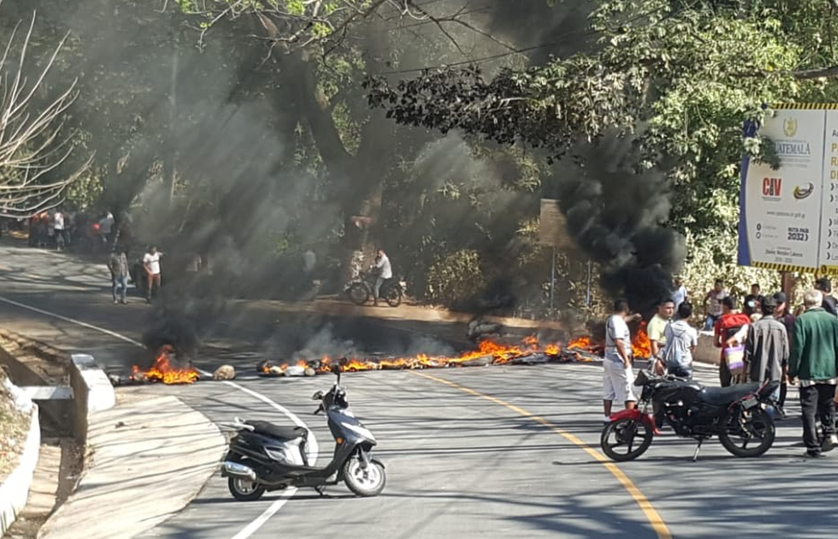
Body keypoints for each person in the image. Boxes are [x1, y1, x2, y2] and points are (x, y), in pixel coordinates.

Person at [789, 289, 838, 458]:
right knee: (827, 404)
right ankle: (829, 433)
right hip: (830, 371)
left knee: (809, 411)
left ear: (805, 303)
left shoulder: (801, 320)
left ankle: (813, 447)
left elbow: (797, 349)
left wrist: (792, 371)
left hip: (808, 373)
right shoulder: (833, 320)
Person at [745, 296, 788, 406]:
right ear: (774, 309)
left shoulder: (754, 327)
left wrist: (745, 372)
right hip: (775, 373)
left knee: (755, 403)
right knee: (771, 403)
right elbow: (785, 354)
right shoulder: (781, 328)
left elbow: (748, 353)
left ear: (761, 309)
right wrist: (785, 372)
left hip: (757, 372)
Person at [603, 299, 637, 423]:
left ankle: (607, 417)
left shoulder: (613, 319)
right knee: (629, 389)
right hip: (618, 360)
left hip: (609, 359)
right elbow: (618, 341)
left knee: (608, 390)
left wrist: (633, 317)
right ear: (625, 310)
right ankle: (630, 419)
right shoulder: (617, 321)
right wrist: (626, 360)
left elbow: (623, 320)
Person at [714, 296, 751, 386]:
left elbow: (715, 342)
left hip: (727, 355)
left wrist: (721, 344)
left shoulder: (721, 320)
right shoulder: (745, 318)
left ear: (725, 307)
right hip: (742, 355)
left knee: (725, 383)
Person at [659, 302, 698, 378]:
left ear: (678, 313)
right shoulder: (691, 331)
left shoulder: (669, 326)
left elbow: (665, 339)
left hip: (671, 365)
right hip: (685, 364)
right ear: (690, 315)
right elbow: (693, 348)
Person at [773, 291, 795, 413]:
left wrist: (788, 357)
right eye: (775, 303)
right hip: (771, 353)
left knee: (782, 379)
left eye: (779, 303)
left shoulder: (789, 319)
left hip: (783, 354)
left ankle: (779, 405)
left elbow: (791, 339)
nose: (777, 306)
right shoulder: (769, 316)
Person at [647, 299, 674, 366]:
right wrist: (658, 362)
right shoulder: (655, 323)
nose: (671, 311)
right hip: (660, 359)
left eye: (672, 308)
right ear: (660, 308)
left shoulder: (669, 321)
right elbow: (654, 345)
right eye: (668, 308)